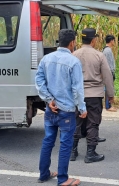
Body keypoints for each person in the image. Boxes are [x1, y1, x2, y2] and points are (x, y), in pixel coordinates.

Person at [35, 29, 87, 186]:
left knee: (48, 141)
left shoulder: (46, 59)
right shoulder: (73, 62)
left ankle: (44, 174)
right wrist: (82, 108)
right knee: (65, 144)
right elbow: (77, 89)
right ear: (72, 43)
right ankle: (63, 179)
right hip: (67, 111)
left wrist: (49, 99)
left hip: (51, 109)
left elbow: (39, 81)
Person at [70, 28, 115, 163]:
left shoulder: (73, 55)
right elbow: (107, 76)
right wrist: (110, 95)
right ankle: (90, 153)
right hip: (94, 94)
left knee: (75, 123)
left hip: (77, 95)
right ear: (93, 40)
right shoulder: (99, 55)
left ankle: (72, 152)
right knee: (93, 123)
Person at [102, 34, 117, 112]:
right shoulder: (107, 51)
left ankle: (109, 105)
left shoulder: (106, 50)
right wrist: (111, 73)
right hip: (109, 73)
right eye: (114, 40)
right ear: (111, 41)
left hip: (109, 72)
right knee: (108, 89)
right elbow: (108, 63)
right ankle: (108, 106)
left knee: (108, 89)